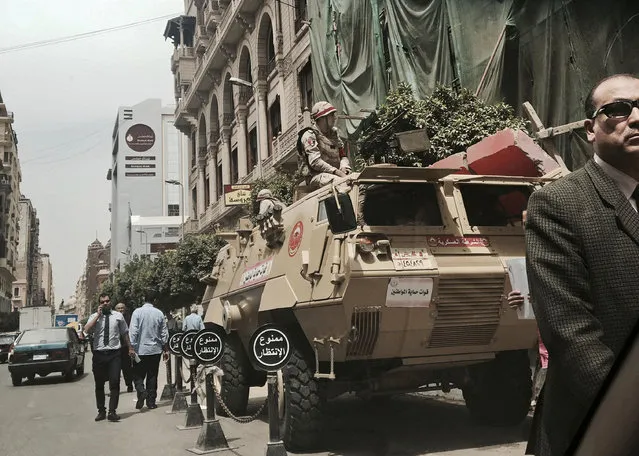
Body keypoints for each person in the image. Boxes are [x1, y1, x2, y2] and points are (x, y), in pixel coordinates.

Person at [525, 73, 639, 456]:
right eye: (618, 110)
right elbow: (572, 335)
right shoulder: (558, 204)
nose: (635, 118)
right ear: (590, 129)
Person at [84, 293, 135, 422]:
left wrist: (130, 347)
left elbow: (125, 332)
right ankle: (101, 411)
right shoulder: (94, 317)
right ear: (99, 303)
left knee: (115, 382)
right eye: (103, 302)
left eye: (107, 301)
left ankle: (112, 411)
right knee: (99, 384)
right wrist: (97, 316)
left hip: (114, 354)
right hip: (99, 354)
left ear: (110, 302)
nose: (105, 303)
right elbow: (86, 330)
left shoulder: (118, 316)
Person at [298, 101, 352, 190]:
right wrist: (337, 172)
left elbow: (343, 155)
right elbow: (315, 162)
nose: (334, 118)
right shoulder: (309, 135)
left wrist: (344, 167)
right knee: (341, 184)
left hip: (336, 174)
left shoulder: (334, 134)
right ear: (322, 118)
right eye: (331, 115)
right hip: (317, 177)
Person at [129, 297, 169, 410]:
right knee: (152, 376)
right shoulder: (159, 313)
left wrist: (131, 347)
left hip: (140, 350)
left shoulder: (137, 312)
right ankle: (151, 402)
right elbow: (164, 333)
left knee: (138, 375)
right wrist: (166, 349)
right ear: (154, 301)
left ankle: (141, 391)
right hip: (155, 350)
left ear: (143, 299)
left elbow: (133, 331)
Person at [114, 302, 134, 393]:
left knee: (127, 368)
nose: (121, 310)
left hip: (126, 346)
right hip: (115, 347)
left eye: (122, 308)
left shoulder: (129, 318)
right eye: (119, 308)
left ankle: (129, 385)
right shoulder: (113, 318)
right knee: (115, 369)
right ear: (116, 310)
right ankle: (115, 388)